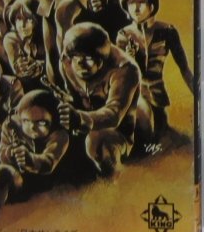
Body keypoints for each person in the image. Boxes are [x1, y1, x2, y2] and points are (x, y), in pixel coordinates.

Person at [0, 90, 72, 232]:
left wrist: (29, 159)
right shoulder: (11, 125)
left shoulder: (59, 135)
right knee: (1, 172)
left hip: (42, 186)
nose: (32, 127)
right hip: (16, 181)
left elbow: (48, 163)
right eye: (26, 121)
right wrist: (10, 153)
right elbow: (2, 153)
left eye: (41, 122)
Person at [115, 0, 194, 146]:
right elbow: (120, 74)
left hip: (158, 96)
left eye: (141, 2)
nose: (136, 8)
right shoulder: (124, 35)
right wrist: (129, 59)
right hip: (134, 97)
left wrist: (199, 95)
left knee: (163, 136)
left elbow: (184, 68)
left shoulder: (167, 31)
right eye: (131, 3)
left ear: (152, 5)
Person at [56, 22, 141, 177]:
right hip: (81, 125)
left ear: (102, 59)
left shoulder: (125, 69)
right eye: (76, 57)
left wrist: (79, 118)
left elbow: (113, 114)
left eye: (88, 58)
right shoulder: (66, 62)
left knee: (96, 140)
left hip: (118, 132)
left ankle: (117, 181)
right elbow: (73, 96)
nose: (80, 64)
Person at [2, 0, 46, 93]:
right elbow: (17, 68)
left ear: (37, 19)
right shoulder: (11, 39)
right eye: (19, 18)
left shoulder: (46, 36)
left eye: (28, 18)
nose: (23, 25)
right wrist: (21, 67)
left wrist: (41, 65)